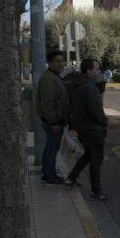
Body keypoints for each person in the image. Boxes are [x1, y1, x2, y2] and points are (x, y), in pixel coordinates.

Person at [65, 58, 109, 200]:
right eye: (96, 69)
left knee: (89, 155)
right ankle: (97, 191)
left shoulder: (76, 85)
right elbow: (96, 111)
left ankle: (71, 177)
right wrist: (104, 122)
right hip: (92, 129)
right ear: (88, 70)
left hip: (82, 128)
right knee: (96, 159)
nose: (98, 71)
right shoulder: (90, 88)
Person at [36, 51, 69, 185]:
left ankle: (47, 172)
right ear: (50, 63)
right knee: (52, 149)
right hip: (53, 122)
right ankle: (50, 176)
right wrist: (53, 122)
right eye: (57, 61)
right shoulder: (48, 79)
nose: (60, 63)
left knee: (51, 147)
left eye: (62, 60)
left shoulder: (54, 76)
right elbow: (47, 103)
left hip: (54, 120)